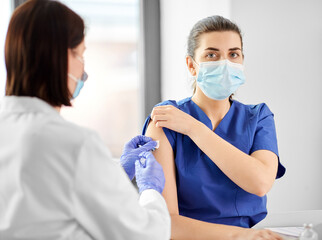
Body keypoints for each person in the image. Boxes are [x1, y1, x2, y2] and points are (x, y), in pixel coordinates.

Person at [0, 1, 170, 239]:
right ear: (59, 57)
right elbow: (145, 234)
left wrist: (116, 174)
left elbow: (49, 192)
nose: (83, 70)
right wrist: (151, 190)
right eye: (80, 54)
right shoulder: (73, 144)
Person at [143, 15, 286, 239]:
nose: (225, 63)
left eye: (233, 54)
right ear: (192, 65)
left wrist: (194, 129)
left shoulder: (258, 117)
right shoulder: (166, 119)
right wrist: (240, 237)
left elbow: (260, 182)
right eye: (212, 55)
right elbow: (164, 222)